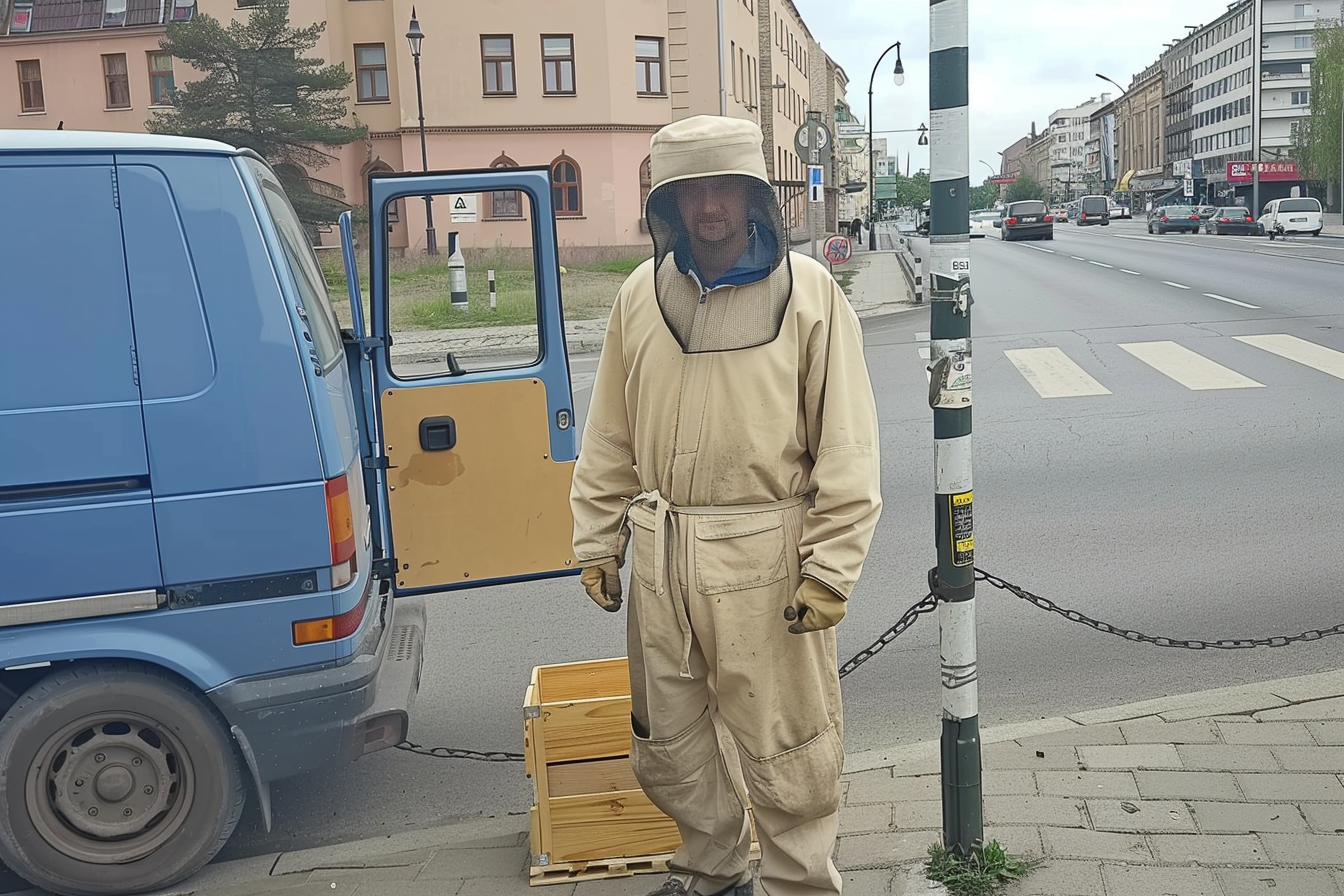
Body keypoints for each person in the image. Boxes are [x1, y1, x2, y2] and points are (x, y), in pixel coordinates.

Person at [570, 115, 882, 896]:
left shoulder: (809, 295)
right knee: (668, 740)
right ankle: (711, 870)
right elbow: (609, 430)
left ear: (753, 196)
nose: (711, 205)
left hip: (769, 552)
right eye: (692, 189)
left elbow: (848, 443)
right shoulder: (639, 296)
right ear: (667, 205)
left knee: (789, 747)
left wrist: (831, 568)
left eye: (726, 187)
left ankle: (797, 882)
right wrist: (596, 538)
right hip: (664, 549)